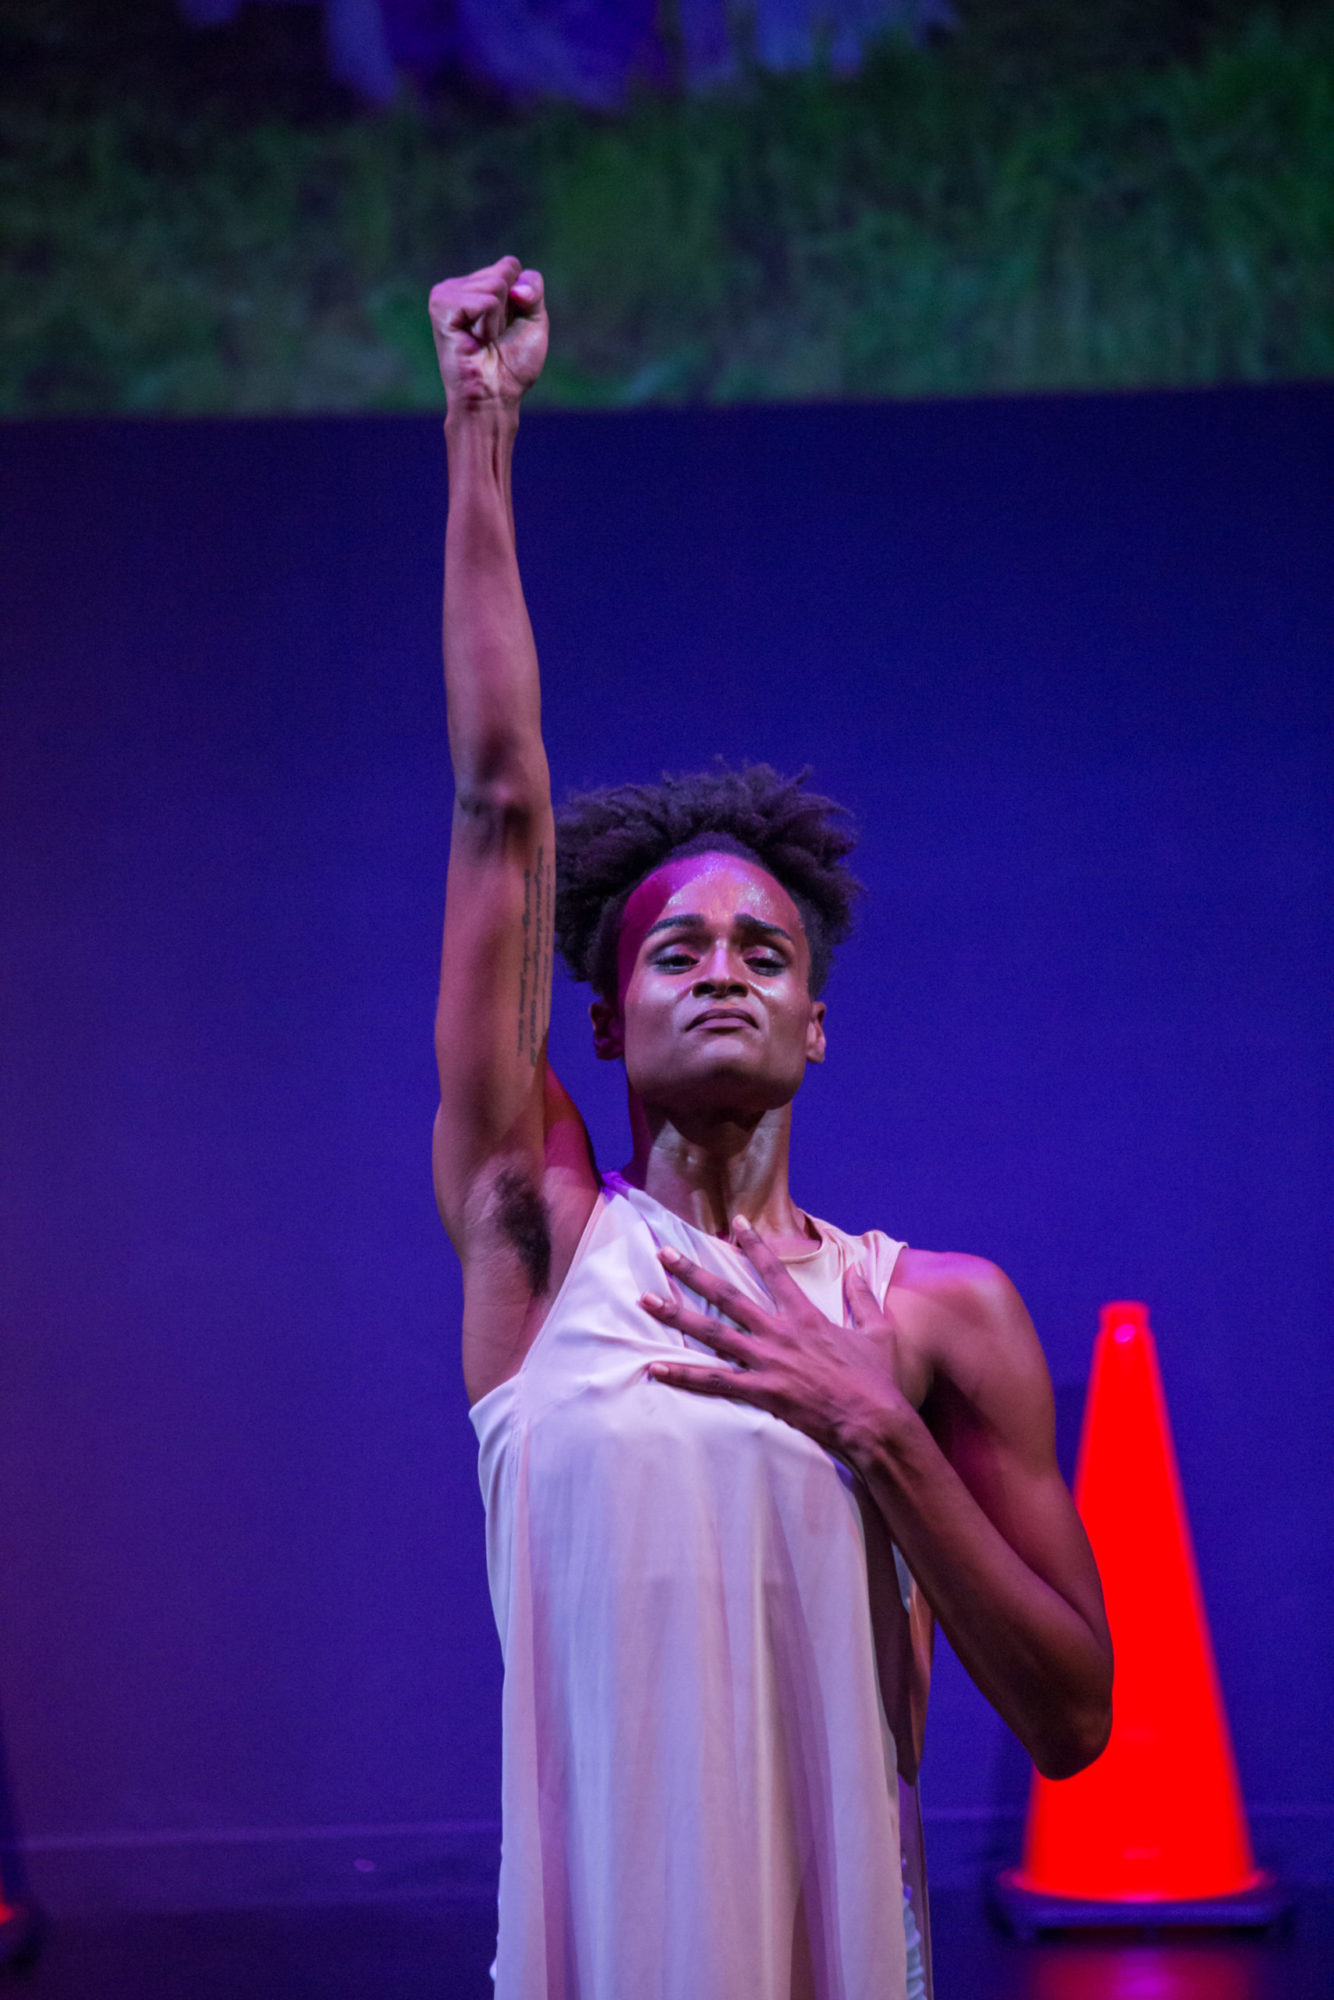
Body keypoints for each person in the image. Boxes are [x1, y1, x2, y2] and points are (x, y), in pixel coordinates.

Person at [428, 255, 1113, 2000]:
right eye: (673, 948)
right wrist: (480, 433)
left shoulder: (936, 1318)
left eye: (763, 952)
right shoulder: (542, 1234)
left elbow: (1075, 1720)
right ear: (605, 1020)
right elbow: (503, 807)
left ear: (817, 1022)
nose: (718, 972)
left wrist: (873, 1427)